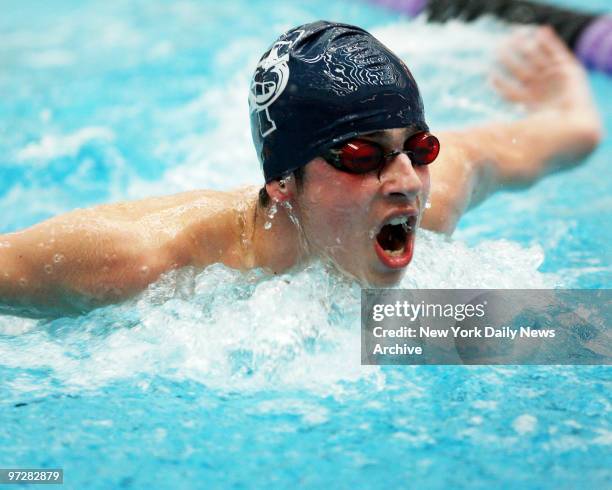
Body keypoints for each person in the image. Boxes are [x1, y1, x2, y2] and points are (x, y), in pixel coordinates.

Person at [0, 21, 602, 316]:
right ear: (281, 180)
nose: (405, 181)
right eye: (361, 156)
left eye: (417, 147)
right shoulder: (142, 260)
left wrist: (568, 87)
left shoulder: (428, 205)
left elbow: (573, 134)